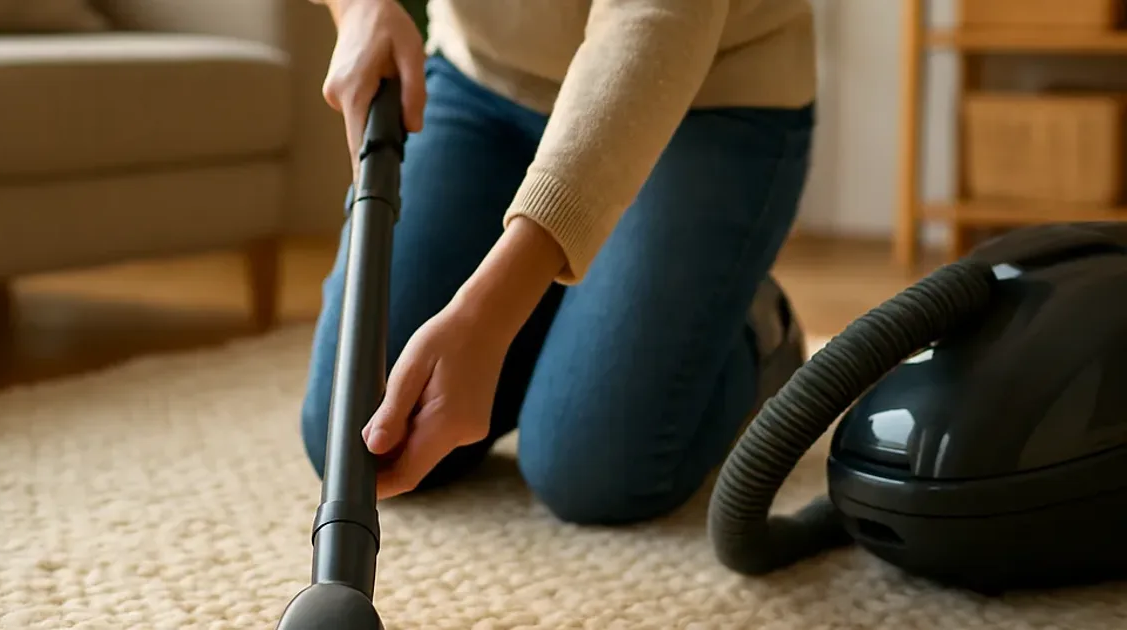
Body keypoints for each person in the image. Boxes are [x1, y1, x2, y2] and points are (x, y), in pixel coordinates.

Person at [301, 0, 817, 526]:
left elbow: (655, 17)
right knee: (350, 432)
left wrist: (488, 317)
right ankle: (576, 294)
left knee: (594, 470)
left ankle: (754, 328)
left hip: (698, 94)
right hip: (484, 82)